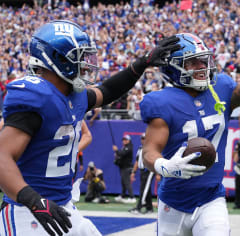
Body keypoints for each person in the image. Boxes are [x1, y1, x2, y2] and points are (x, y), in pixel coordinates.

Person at [0, 20, 179, 236]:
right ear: (57, 58)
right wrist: (33, 199)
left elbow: (108, 90)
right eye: (79, 56)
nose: (86, 63)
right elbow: (2, 156)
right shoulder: (36, 96)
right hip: (27, 211)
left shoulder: (74, 95)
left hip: (63, 207)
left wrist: (142, 64)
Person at [141, 4, 240, 235]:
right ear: (174, 68)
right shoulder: (162, 101)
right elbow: (149, 151)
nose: (202, 67)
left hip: (211, 197)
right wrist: (166, 166)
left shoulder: (219, 87)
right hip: (173, 201)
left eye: (203, 60)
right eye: (193, 62)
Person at [129, 134, 155, 214]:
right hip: (142, 170)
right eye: (142, 138)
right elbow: (137, 161)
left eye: (145, 138)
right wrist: (133, 172)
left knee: (143, 189)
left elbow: (156, 160)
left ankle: (139, 207)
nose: (143, 140)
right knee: (146, 189)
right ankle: (149, 208)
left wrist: (157, 174)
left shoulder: (152, 148)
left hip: (149, 170)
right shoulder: (140, 148)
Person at [113, 134, 136, 204]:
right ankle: (122, 196)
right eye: (123, 140)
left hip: (127, 168)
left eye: (126, 140)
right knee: (123, 183)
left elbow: (122, 153)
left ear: (129, 140)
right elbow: (120, 155)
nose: (124, 141)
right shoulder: (124, 147)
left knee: (127, 182)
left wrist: (116, 150)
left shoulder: (129, 147)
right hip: (122, 167)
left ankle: (132, 197)